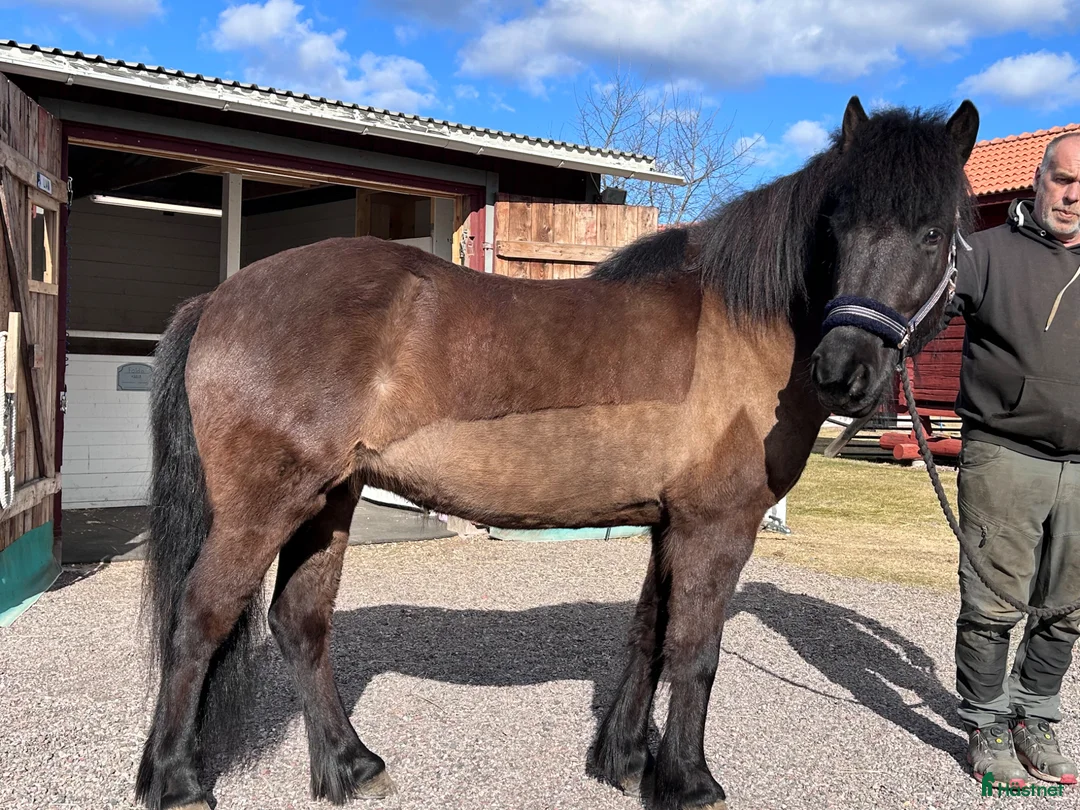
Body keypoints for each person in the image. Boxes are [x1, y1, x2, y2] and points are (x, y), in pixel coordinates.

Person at [947, 131, 1080, 790]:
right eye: (1063, 179)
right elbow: (917, 306)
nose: (1073, 194)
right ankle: (987, 724)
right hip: (1005, 453)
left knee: (1069, 607)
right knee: (994, 604)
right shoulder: (983, 253)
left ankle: (1035, 715)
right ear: (1038, 178)